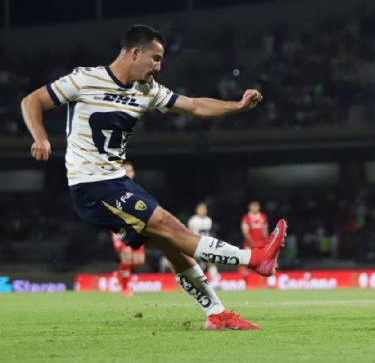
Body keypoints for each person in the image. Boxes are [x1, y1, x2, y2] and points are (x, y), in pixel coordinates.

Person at [20, 24, 287, 330]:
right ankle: (254, 259)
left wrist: (237, 106)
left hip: (117, 182)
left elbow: (196, 106)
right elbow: (32, 101)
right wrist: (40, 137)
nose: (159, 67)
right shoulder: (84, 79)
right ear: (135, 53)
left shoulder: (147, 91)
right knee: (170, 226)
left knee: (173, 244)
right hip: (91, 187)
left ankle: (217, 314)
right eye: (156, 58)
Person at [110, 161, 145, 296]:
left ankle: (121, 273)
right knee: (126, 256)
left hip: (135, 227)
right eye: (125, 171)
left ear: (133, 173)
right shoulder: (114, 188)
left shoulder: (137, 190)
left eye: (130, 170)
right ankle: (125, 287)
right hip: (119, 226)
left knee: (139, 261)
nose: (127, 173)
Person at [187, 201, 220, 288]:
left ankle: (215, 280)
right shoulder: (193, 220)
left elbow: (208, 233)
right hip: (195, 244)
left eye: (204, 209)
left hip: (206, 244)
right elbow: (189, 232)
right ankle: (195, 281)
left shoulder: (209, 220)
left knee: (210, 262)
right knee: (197, 264)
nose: (202, 210)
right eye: (200, 209)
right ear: (197, 210)